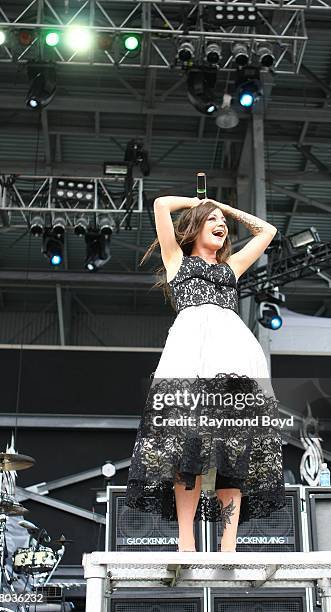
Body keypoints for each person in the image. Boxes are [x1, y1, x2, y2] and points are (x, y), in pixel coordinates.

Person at [125, 195, 286, 552]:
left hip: (234, 357)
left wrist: (227, 210)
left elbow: (268, 231)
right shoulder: (177, 261)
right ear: (195, 227)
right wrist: (202, 202)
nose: (222, 225)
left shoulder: (231, 268)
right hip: (191, 358)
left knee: (234, 448)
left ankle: (228, 543)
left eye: (223, 223)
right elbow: (161, 205)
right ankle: (186, 542)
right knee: (189, 448)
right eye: (212, 220)